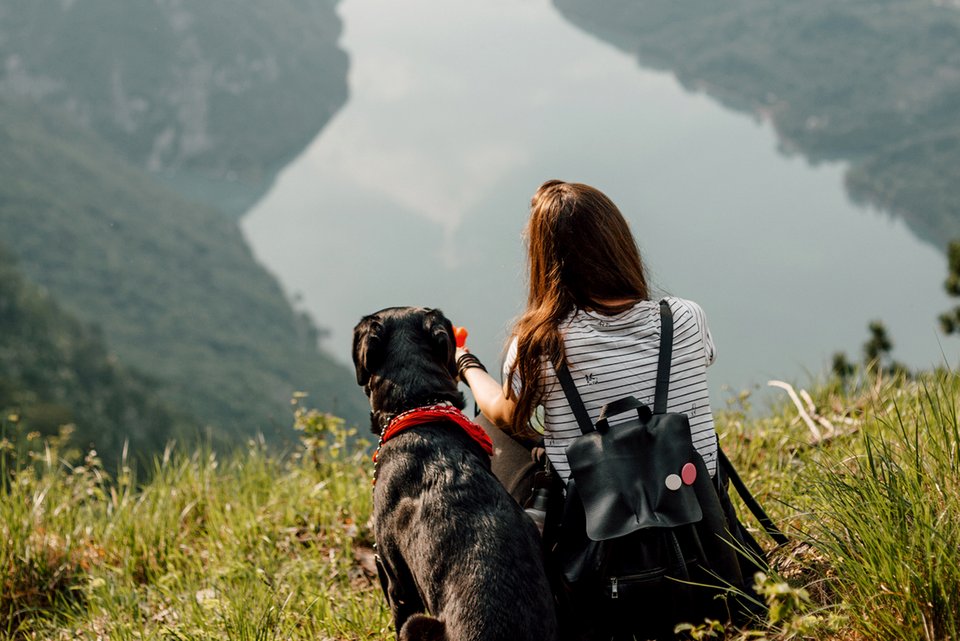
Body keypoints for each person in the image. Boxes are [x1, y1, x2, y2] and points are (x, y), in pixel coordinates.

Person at [455, 178, 719, 504]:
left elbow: (502, 413)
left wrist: (465, 363)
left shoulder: (540, 343)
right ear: (619, 244)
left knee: (488, 428)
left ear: (545, 260)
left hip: (595, 526)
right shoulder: (685, 316)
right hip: (698, 511)